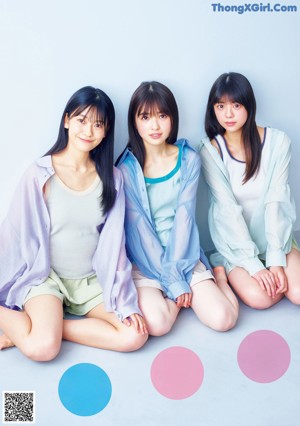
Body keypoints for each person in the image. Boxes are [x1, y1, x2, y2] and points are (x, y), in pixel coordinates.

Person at [0, 86, 148, 360]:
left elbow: (115, 246)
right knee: (43, 349)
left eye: (98, 124)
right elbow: (15, 234)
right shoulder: (40, 174)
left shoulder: (113, 179)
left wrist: (127, 305)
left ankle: (49, 328)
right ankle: (38, 331)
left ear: (106, 131)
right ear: (67, 120)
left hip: (91, 281)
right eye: (82, 120)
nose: (88, 131)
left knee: (134, 336)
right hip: (46, 278)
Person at [117, 81, 238, 335]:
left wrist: (178, 276)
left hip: (185, 255)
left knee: (224, 319)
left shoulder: (189, 160)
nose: (155, 125)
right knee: (157, 326)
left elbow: (184, 219)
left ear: (173, 118)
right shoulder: (126, 170)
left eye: (162, 115)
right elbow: (140, 232)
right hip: (145, 262)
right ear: (135, 122)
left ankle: (221, 279)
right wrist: (174, 284)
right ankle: (179, 296)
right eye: (146, 117)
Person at [199, 72, 300, 309]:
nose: (228, 114)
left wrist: (275, 261)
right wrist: (254, 267)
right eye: (220, 106)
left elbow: (277, 201)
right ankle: (223, 272)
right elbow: (227, 211)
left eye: (236, 105)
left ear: (249, 105)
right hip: (236, 247)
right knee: (261, 299)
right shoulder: (210, 151)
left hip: (278, 239)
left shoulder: (279, 142)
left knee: (297, 293)